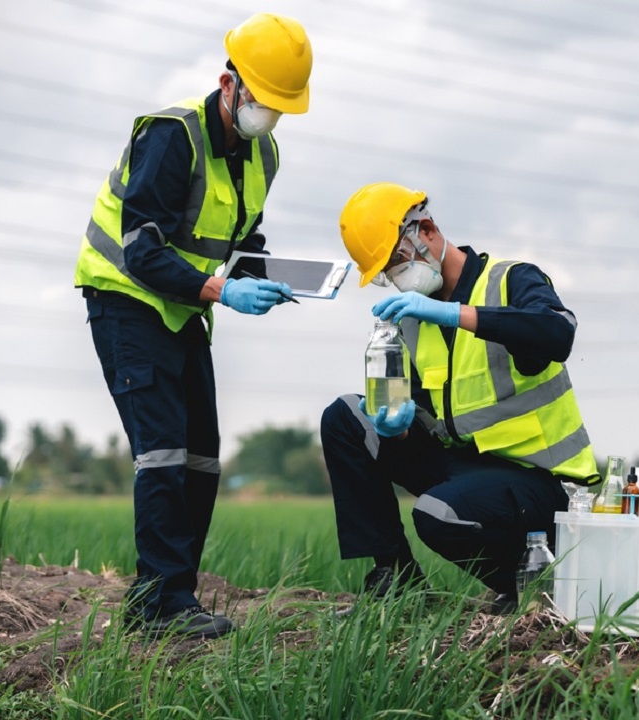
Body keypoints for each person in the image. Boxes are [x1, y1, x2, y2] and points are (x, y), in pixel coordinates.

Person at [73, 13, 313, 638]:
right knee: (163, 452)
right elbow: (142, 250)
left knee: (202, 456)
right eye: (261, 101)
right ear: (227, 83)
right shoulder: (172, 134)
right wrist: (222, 290)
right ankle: (159, 609)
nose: (269, 115)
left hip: (183, 307)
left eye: (279, 107)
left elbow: (238, 238)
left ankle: (169, 597)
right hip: (127, 298)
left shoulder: (264, 154)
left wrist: (263, 273)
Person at [323, 182, 600, 615]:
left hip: (544, 484)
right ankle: (397, 581)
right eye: (386, 274)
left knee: (437, 513)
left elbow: (556, 333)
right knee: (344, 417)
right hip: (470, 469)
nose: (397, 279)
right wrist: (393, 429)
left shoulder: (510, 280)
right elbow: (424, 415)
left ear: (427, 230)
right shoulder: (414, 320)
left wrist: (457, 314)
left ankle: (534, 585)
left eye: (397, 262)